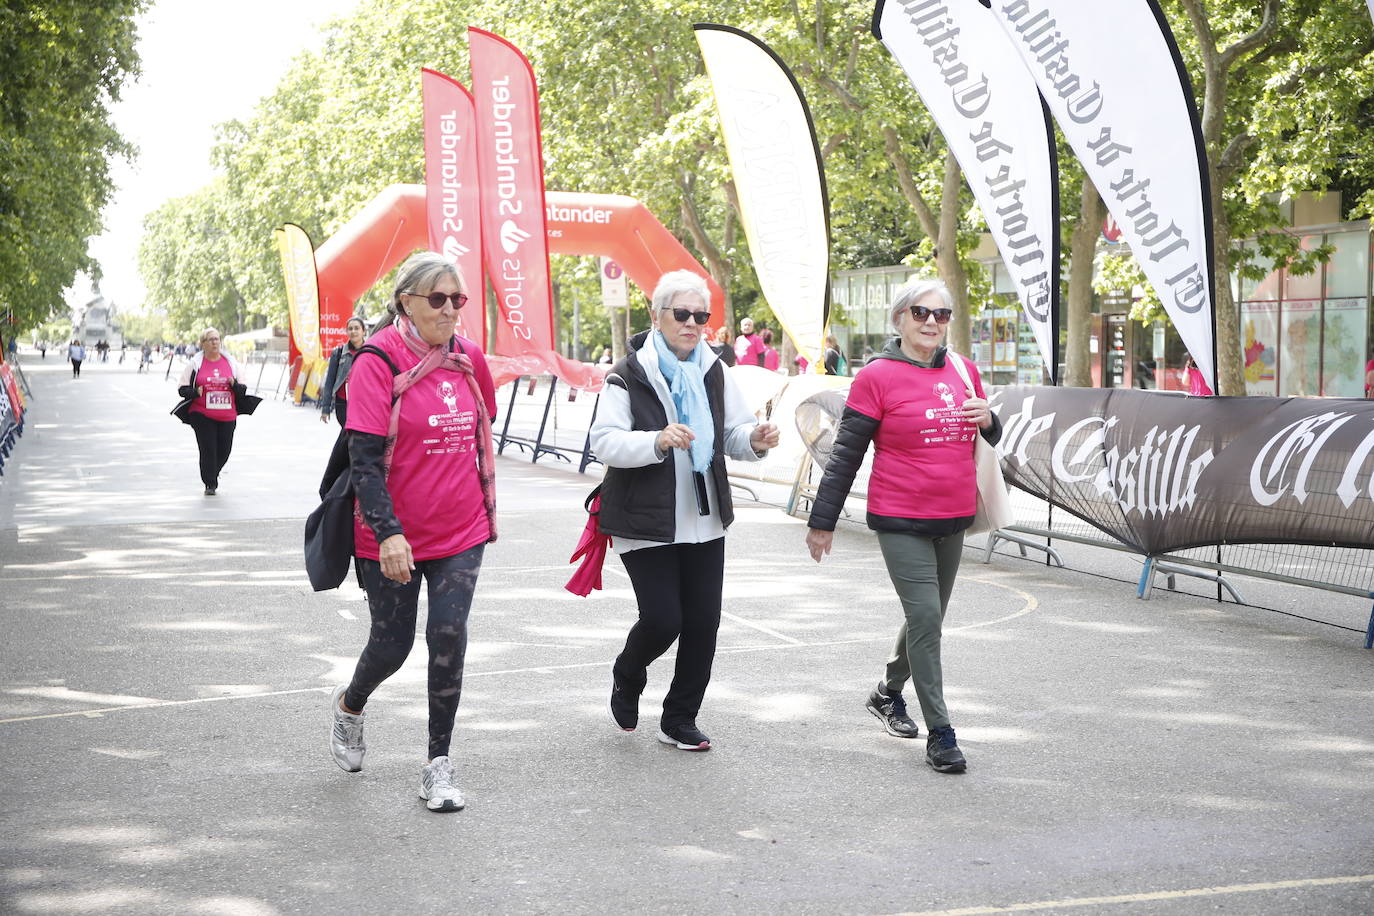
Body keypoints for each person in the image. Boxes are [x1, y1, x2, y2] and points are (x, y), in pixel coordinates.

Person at [804, 278, 1000, 775]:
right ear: (899, 319)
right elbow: (847, 452)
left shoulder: (964, 370)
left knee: (924, 619)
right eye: (920, 313)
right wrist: (822, 520)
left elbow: (987, 436)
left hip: (953, 516)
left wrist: (991, 420)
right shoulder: (877, 376)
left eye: (941, 314)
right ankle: (942, 734)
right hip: (900, 518)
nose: (932, 322)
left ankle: (887, 694)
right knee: (928, 620)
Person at [329, 251, 497, 814]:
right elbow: (366, 462)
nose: (451, 310)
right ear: (407, 301)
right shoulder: (377, 361)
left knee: (448, 635)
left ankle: (438, 765)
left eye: (458, 299)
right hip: (390, 535)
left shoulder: (470, 358)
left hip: (460, 527)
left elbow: (480, 430)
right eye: (438, 299)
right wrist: (390, 533)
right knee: (392, 645)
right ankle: (351, 705)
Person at [591, 270, 779, 752]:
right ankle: (627, 673)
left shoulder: (715, 370)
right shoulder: (627, 373)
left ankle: (679, 718)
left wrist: (754, 440)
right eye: (682, 314)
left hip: (704, 515)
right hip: (644, 518)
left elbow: (732, 433)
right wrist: (655, 440)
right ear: (657, 316)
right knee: (662, 619)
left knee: (702, 623)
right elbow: (604, 442)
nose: (692, 324)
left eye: (701, 316)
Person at [175, 328, 250, 495]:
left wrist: (234, 385)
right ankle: (210, 483)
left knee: (224, 450)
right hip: (201, 413)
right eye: (210, 339)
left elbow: (242, 390)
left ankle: (212, 472)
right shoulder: (195, 364)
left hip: (227, 413)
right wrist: (196, 392)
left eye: (217, 339)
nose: (215, 342)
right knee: (208, 448)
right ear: (203, 344)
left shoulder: (231, 363)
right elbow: (182, 388)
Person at [319, 317, 367, 427]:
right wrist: (325, 408)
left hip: (363, 404)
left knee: (356, 437)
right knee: (347, 435)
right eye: (350, 329)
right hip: (343, 404)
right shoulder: (338, 353)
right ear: (346, 332)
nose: (353, 331)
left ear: (363, 331)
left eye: (356, 328)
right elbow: (330, 381)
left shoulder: (371, 352)